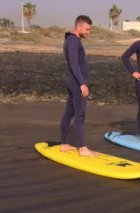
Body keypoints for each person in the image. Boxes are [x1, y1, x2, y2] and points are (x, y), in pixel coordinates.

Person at [60, 15, 97, 156]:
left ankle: (64, 144)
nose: (89, 32)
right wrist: (82, 84)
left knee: (69, 113)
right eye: (87, 29)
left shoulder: (72, 40)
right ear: (79, 27)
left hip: (73, 81)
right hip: (77, 83)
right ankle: (83, 148)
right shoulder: (73, 41)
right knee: (80, 115)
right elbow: (74, 64)